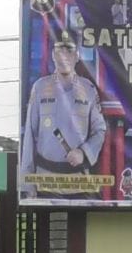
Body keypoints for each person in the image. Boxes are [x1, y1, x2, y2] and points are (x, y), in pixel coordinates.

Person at [20, 33, 107, 196]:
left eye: (69, 50)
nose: (64, 56)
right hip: (46, 183)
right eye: (59, 50)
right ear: (53, 55)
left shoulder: (88, 89)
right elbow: (29, 137)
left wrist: (84, 152)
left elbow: (100, 130)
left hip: (78, 183)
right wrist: (26, 184)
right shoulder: (40, 88)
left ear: (77, 56)